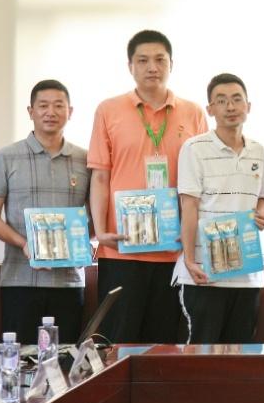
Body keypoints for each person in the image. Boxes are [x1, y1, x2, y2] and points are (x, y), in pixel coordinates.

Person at [88, 30, 207, 344]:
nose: (152, 67)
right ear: (130, 66)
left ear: (171, 65)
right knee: (116, 342)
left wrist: (193, 235)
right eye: (143, 60)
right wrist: (100, 231)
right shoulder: (108, 110)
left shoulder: (193, 113)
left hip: (174, 250)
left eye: (159, 60)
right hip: (121, 249)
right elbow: (100, 176)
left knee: (164, 346)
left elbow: (202, 182)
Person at [0, 79, 91, 342]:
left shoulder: (86, 159)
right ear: (30, 111)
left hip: (69, 281)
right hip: (19, 280)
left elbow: (96, 214)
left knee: (65, 356)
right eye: (43, 105)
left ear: (70, 112)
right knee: (19, 356)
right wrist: (24, 244)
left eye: (58, 105)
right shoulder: (5, 157)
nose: (50, 112)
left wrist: (87, 241)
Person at [174, 73, 264, 345]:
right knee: (201, 354)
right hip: (204, 274)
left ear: (248, 106)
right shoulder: (194, 148)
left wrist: (261, 213)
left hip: (247, 274)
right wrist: (189, 260)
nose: (230, 107)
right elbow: (189, 206)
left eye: (237, 99)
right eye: (221, 100)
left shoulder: (259, 151)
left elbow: (262, 198)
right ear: (210, 109)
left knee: (239, 356)